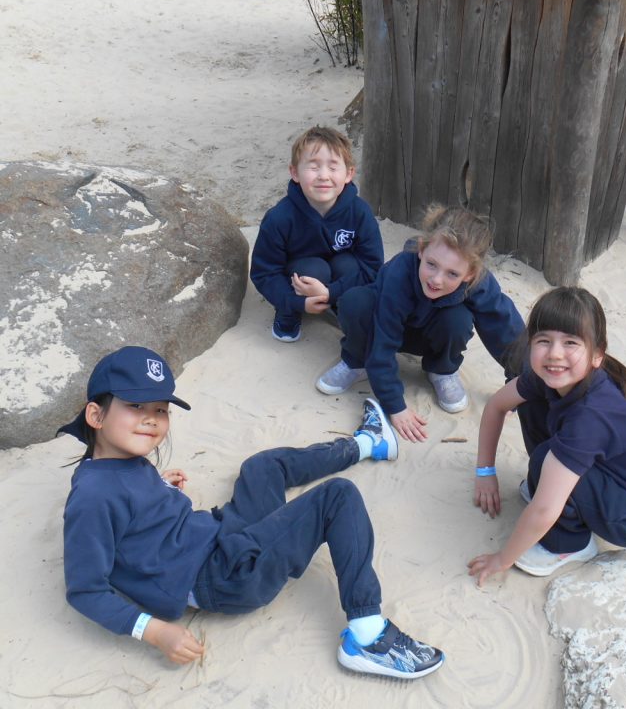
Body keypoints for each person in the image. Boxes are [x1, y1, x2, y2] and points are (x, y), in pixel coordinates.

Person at [59, 346, 444, 679]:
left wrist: (158, 487)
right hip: (223, 576)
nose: (152, 419)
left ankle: (366, 444)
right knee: (337, 498)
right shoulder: (93, 498)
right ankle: (368, 635)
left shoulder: (121, 459)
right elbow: (85, 590)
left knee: (262, 467)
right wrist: (156, 631)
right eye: (135, 406)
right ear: (95, 416)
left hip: (220, 534)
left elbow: (127, 501)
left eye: (161, 410)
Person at [468, 287, 626, 583]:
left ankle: (569, 545)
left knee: (548, 461)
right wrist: (485, 471)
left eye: (570, 343)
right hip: (612, 474)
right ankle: (562, 492)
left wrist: (502, 559)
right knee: (531, 407)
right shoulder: (551, 374)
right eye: (544, 341)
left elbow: (543, 509)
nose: (555, 354)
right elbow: (496, 406)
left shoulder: (592, 416)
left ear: (597, 355)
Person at [316, 206, 525, 443]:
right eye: (432, 264)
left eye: (452, 274)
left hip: (431, 335)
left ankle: (441, 369)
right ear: (422, 249)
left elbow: (507, 331)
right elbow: (383, 338)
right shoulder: (399, 272)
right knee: (355, 303)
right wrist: (395, 406)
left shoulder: (480, 283)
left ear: (470, 274)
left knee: (458, 319)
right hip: (383, 328)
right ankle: (356, 360)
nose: (436, 279)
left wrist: (519, 383)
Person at [250, 126, 384, 343]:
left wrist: (331, 293)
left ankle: (343, 306)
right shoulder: (279, 218)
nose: (323, 176)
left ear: (349, 174)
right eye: (313, 167)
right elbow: (264, 272)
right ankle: (289, 312)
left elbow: (373, 267)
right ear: (294, 173)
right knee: (313, 268)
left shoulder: (360, 213)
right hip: (300, 274)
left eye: (333, 167)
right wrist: (295, 302)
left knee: (348, 264)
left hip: (338, 276)